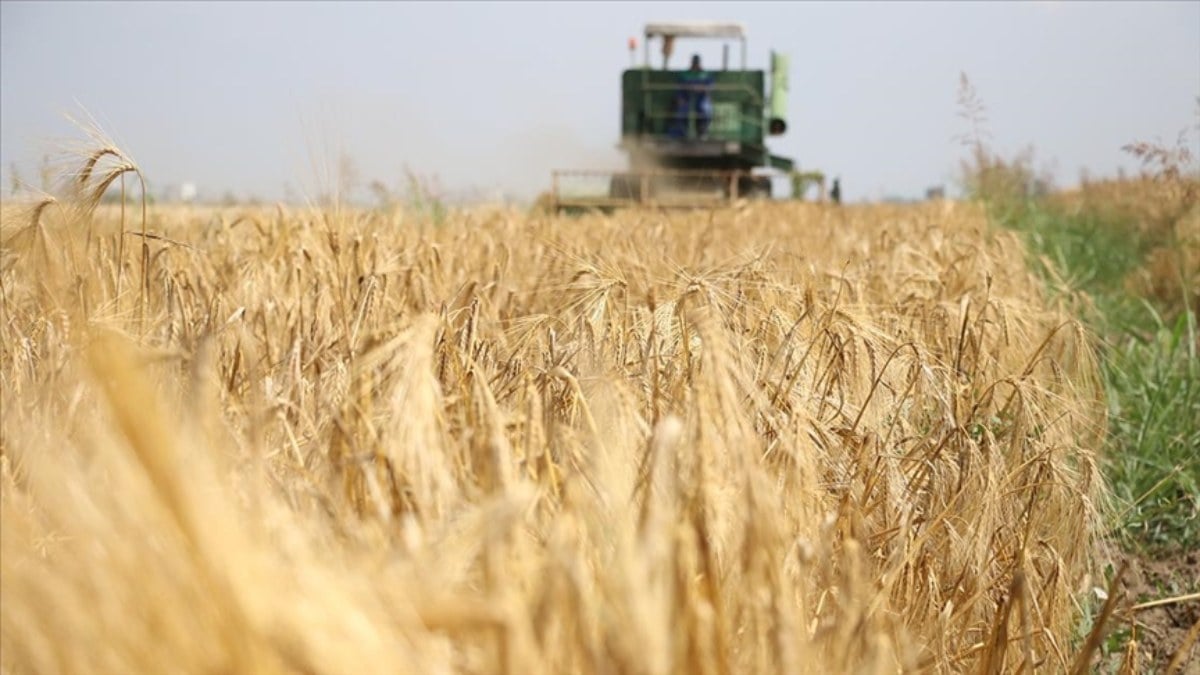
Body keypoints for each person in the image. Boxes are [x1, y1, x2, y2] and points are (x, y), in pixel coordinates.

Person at [677, 54, 714, 138]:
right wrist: (680, 98)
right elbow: (680, 88)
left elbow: (710, 87)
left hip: (702, 99)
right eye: (694, 63)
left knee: (706, 110)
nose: (695, 65)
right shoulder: (685, 74)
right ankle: (684, 133)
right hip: (687, 99)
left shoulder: (706, 74)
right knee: (681, 112)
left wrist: (701, 88)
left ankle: (702, 132)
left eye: (697, 63)